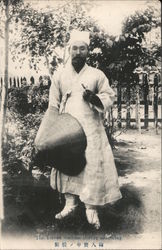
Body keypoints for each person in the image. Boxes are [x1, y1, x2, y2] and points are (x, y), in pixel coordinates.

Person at [49, 30, 122, 229]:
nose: (78, 52)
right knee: (68, 163)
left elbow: (109, 96)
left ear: (88, 51)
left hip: (91, 129)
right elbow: (53, 104)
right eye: (75, 48)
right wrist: (52, 126)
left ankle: (91, 208)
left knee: (90, 164)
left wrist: (94, 99)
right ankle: (70, 203)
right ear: (69, 50)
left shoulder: (97, 75)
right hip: (66, 129)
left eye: (82, 48)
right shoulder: (60, 75)